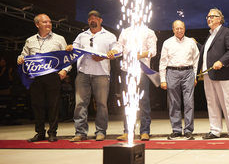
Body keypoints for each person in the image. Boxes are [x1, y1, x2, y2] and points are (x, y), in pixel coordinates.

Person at [17, 14, 71, 142]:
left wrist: (64, 70)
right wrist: (19, 58)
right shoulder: (30, 40)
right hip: (35, 76)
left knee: (53, 104)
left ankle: (52, 132)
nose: (48, 24)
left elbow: (67, 58)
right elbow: (24, 55)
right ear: (37, 24)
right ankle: (40, 132)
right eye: (45, 22)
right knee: (37, 105)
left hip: (52, 75)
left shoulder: (59, 39)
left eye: (49, 22)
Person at [67, 10, 117, 142]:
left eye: (95, 18)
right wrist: (70, 48)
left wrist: (107, 55)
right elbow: (74, 50)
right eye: (90, 18)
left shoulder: (109, 36)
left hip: (101, 73)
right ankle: (80, 132)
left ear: (101, 20)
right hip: (83, 73)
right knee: (80, 103)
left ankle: (101, 131)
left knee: (101, 104)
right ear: (88, 21)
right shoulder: (82, 35)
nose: (92, 20)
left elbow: (117, 51)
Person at [107, 25, 157, 141]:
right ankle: (128, 131)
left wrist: (140, 55)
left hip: (142, 71)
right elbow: (119, 47)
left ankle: (145, 131)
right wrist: (114, 51)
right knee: (128, 101)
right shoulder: (125, 32)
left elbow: (153, 51)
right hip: (127, 70)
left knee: (143, 101)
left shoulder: (149, 32)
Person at [198, 8, 229, 140]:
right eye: (208, 17)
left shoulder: (227, 32)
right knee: (212, 103)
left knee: (227, 103)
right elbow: (208, 53)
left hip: (224, 75)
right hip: (209, 75)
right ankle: (215, 130)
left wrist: (221, 62)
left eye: (212, 16)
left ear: (219, 19)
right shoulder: (210, 35)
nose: (209, 19)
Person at [159, 20, 199, 140]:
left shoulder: (191, 43)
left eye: (181, 28)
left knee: (189, 102)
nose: (179, 30)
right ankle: (176, 130)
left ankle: (188, 130)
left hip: (188, 72)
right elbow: (162, 62)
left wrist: (195, 76)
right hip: (172, 72)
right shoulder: (167, 43)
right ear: (173, 29)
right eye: (177, 28)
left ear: (185, 28)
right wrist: (162, 79)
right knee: (173, 102)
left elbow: (196, 59)